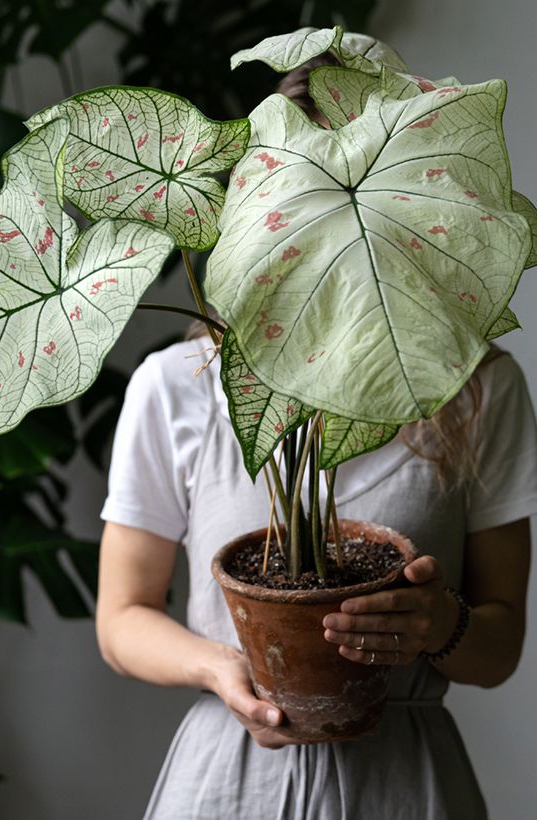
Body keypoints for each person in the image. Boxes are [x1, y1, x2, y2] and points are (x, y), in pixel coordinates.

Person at [95, 57, 537, 820]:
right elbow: (120, 619)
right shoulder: (181, 384)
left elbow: (499, 651)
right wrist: (226, 671)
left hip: (404, 783)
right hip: (230, 779)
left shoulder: (475, 386)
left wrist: (441, 623)